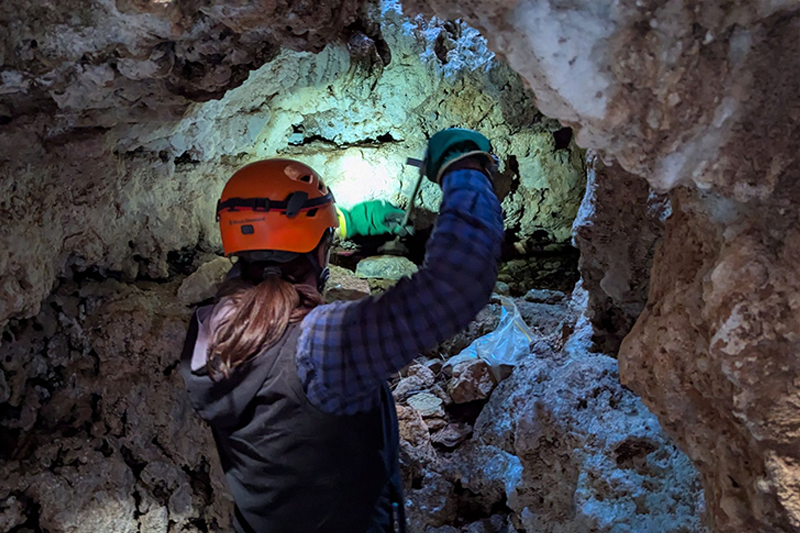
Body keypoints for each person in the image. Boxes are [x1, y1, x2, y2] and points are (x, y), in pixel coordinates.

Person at [180, 129, 504, 533]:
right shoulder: (322, 346)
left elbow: (268, 254)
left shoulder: (208, 328)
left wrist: (343, 222)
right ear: (321, 246)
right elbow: (457, 282)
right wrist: (465, 169)